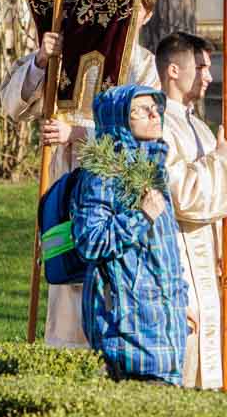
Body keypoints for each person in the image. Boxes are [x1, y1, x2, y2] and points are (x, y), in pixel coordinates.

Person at [2, 0, 159, 347]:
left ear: (146, 15)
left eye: (134, 10)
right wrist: (41, 59)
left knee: (111, 284)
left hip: (115, 195)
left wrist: (78, 134)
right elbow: (13, 106)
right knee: (67, 292)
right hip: (65, 186)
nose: (124, 16)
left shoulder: (143, 65)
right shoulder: (73, 51)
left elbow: (143, 135)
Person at [73, 85, 190, 385]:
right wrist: (140, 216)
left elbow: (163, 251)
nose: (154, 114)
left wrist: (180, 303)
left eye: (155, 107)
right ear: (118, 120)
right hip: (128, 333)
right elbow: (90, 241)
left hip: (165, 326)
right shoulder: (105, 172)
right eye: (139, 110)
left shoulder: (153, 168)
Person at [154, 31, 227, 387]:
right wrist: (221, 162)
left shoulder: (198, 125)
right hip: (179, 262)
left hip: (208, 264)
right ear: (173, 71)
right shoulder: (158, 126)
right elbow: (182, 194)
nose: (209, 77)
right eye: (200, 67)